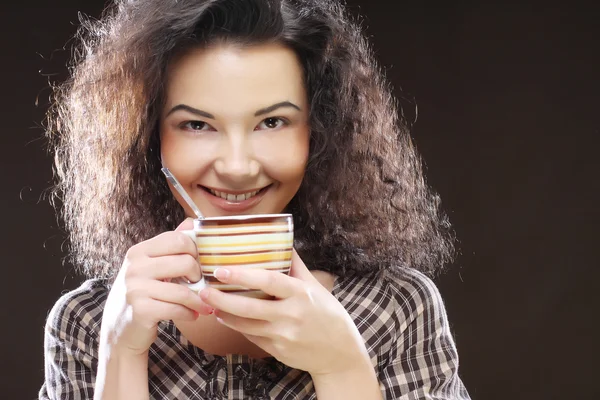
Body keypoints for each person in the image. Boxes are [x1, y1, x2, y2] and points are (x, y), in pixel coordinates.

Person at [39, 0, 470, 398]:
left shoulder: (396, 309)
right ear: (150, 141)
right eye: (196, 125)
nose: (237, 166)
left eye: (272, 121)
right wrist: (120, 350)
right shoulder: (86, 323)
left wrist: (341, 365)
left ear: (318, 133)